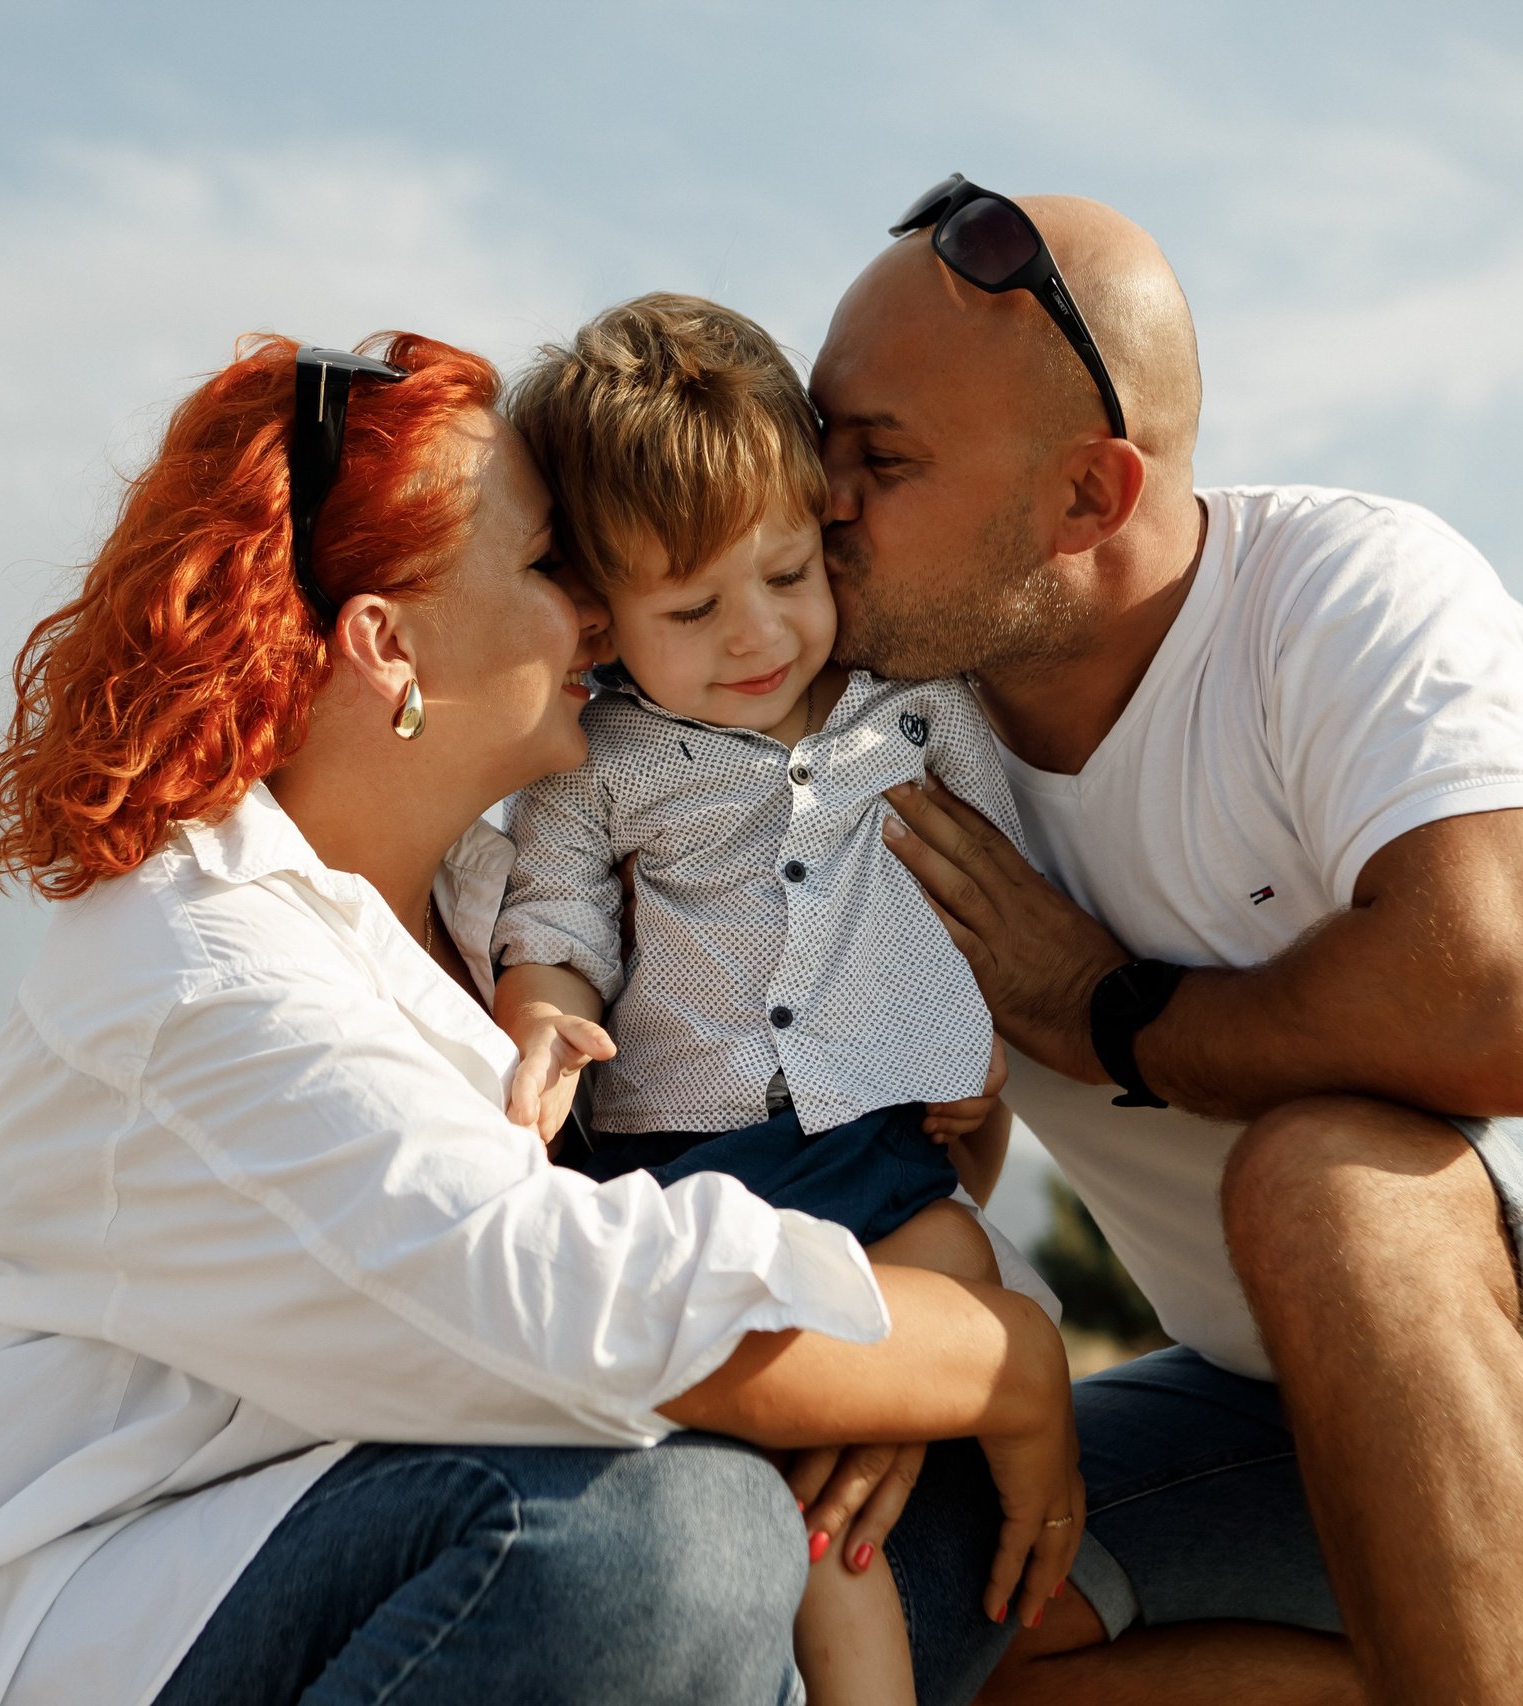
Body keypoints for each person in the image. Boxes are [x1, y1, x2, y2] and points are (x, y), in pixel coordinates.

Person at [0, 330, 1078, 1706]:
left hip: (375, 1533)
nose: (598, 616)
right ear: (386, 644)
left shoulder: (484, 903)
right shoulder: (203, 965)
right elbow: (561, 1295)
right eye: (549, 564)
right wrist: (1003, 1356)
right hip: (101, 1636)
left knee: (905, 1512)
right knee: (667, 1544)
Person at [807, 175, 1523, 1705]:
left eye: (881, 459)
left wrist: (1106, 1009)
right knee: (901, 1604)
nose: (821, 499)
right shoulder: (876, 746)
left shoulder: (1337, 590)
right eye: (819, 444)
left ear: (1089, 497)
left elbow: (1512, 1001)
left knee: (1325, 1184)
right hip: (1301, 1382)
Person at [489, 294, 1064, 1705]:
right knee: (811, 1522)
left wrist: (978, 1039)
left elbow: (995, 896)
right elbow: (556, 914)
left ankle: (1000, 1458)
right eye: (691, 610)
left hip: (875, 1144)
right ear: (600, 615)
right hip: (689, 1171)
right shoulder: (602, 760)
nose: (757, 634)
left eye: (790, 574)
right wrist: (544, 1009)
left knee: (963, 1257)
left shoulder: (917, 709)